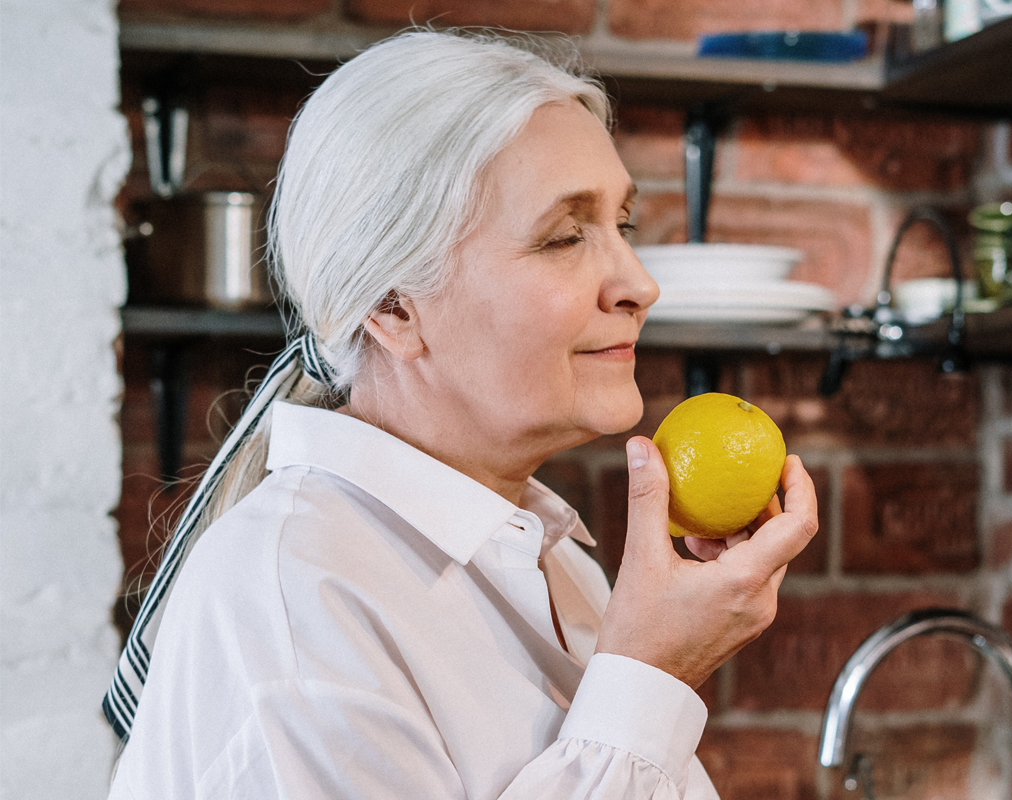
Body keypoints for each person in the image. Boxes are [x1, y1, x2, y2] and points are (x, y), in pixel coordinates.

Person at [104, 29, 819, 800]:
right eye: (565, 237)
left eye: (624, 226)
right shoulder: (295, 600)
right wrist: (650, 676)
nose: (639, 283)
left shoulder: (552, 560)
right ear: (393, 307)